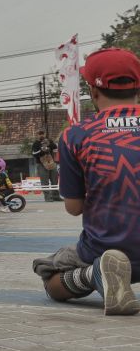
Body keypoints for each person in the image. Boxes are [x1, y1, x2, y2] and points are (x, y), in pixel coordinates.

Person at [32, 48, 140, 316]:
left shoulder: (76, 136)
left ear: (93, 91)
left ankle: (96, 275)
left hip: (108, 249)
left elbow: (73, 207)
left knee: (50, 273)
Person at [32, 129, 61, 202]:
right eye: (40, 134)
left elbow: (55, 148)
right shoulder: (36, 143)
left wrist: (50, 143)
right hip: (41, 164)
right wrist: (41, 150)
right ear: (37, 135)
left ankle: (56, 196)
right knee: (45, 182)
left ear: (45, 134)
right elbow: (34, 154)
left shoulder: (49, 141)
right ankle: (47, 197)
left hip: (51, 162)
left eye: (42, 133)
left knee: (55, 179)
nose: (41, 135)